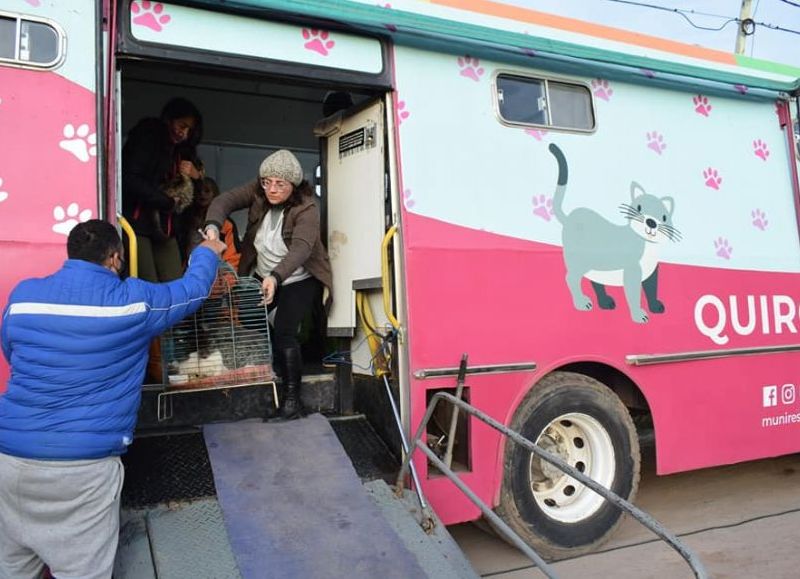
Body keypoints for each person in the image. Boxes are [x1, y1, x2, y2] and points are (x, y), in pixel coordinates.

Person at [0, 220, 226, 579]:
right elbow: (191, 291)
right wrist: (207, 252)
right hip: (82, 471)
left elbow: (13, 353)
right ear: (115, 258)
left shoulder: (23, 297)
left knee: (12, 568)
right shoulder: (133, 302)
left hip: (9, 460)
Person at [204, 149, 332, 420]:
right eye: (267, 182)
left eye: (280, 184)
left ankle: (292, 400)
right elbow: (223, 201)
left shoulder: (306, 208)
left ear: (293, 184)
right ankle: (275, 370)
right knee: (251, 319)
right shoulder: (258, 192)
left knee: (285, 330)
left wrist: (275, 277)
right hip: (263, 273)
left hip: (297, 277)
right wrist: (213, 226)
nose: (271, 189)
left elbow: (301, 249)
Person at [122, 97, 204, 282]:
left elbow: (198, 199)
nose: (184, 133)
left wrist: (196, 177)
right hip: (138, 223)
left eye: (189, 130)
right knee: (148, 283)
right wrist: (167, 202)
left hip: (168, 228)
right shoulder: (147, 138)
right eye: (182, 125)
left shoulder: (183, 153)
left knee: (175, 282)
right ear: (169, 118)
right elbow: (130, 179)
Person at [179, 176, 241, 271]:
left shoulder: (226, 224)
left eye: (207, 191)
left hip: (216, 274)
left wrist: (227, 278)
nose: (202, 195)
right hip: (189, 271)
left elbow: (232, 257)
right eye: (198, 191)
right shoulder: (186, 220)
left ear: (215, 195)